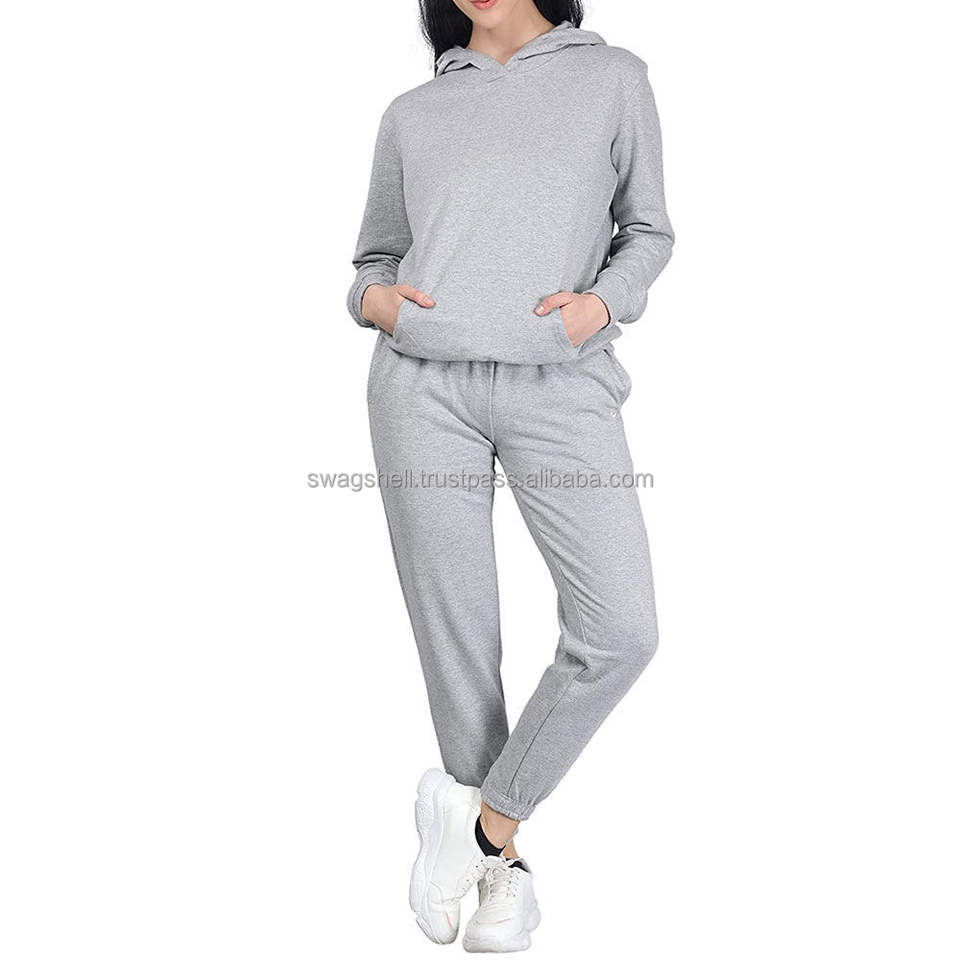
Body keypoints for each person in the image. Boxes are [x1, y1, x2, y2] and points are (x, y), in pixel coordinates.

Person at [347, 0, 673, 950]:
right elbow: (372, 256)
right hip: (421, 389)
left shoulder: (613, 79)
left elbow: (648, 231)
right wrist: (374, 302)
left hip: (561, 387)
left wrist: (598, 308)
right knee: (460, 636)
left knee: (620, 631)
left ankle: (485, 826)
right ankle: (502, 877)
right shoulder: (413, 112)